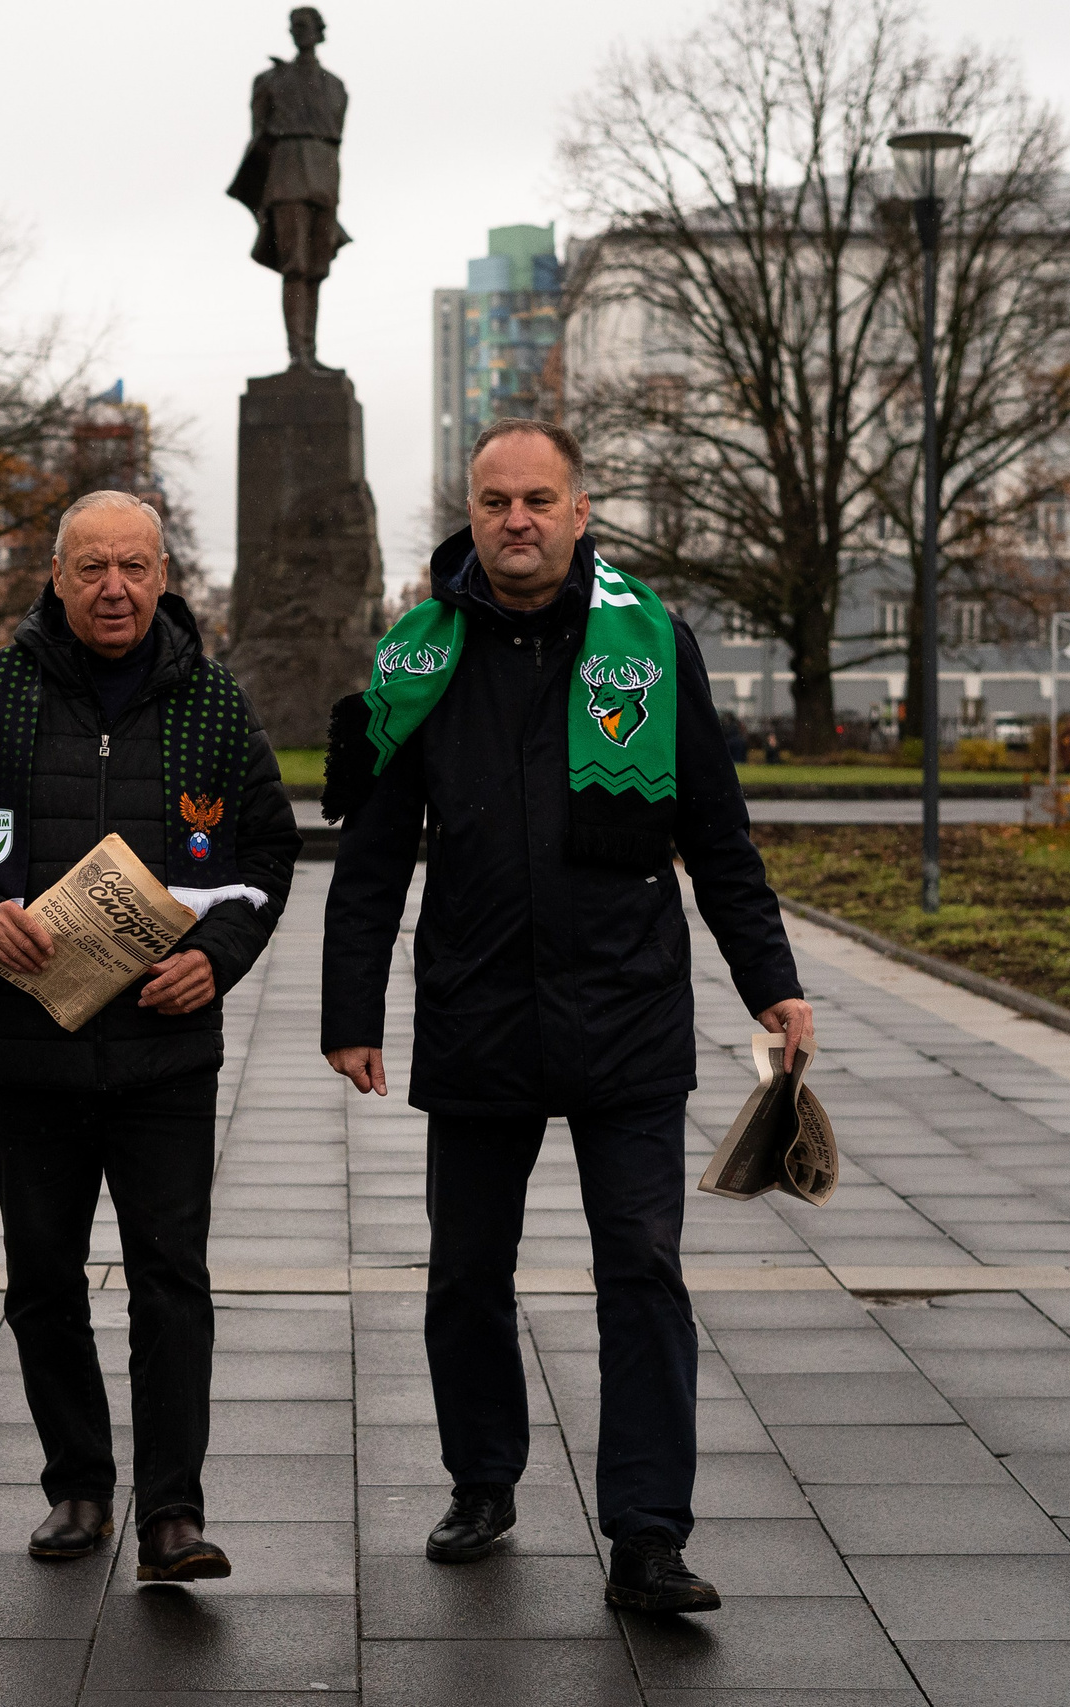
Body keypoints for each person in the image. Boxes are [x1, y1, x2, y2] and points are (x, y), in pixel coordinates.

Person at [318, 419, 811, 1616]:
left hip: (626, 1011)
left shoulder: (651, 642)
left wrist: (770, 978)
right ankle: (482, 1480)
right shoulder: (416, 658)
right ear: (472, 513)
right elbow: (374, 853)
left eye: (540, 499)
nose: (517, 520)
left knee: (641, 1270)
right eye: (495, 501)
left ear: (581, 511)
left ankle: (647, 1535)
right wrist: (350, 1008)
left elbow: (715, 831)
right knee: (465, 1273)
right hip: (478, 1006)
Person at [0, 490, 301, 1583]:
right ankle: (77, 1487)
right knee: (41, 1278)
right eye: (90, 569)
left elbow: (266, 856)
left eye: (132, 566)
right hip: (28, 1049)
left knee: (172, 1277)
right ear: (58, 578)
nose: (112, 588)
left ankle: (173, 1512)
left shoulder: (213, 703)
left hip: (167, 1052)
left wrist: (216, 960)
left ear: (166, 575)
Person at [225, 7, 353, 370]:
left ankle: (310, 352)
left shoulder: (336, 86)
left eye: (304, 26)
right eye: (293, 27)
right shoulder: (270, 80)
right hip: (287, 176)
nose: (298, 33)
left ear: (319, 31)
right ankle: (297, 355)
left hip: (325, 177)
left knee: (315, 269)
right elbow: (259, 138)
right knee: (295, 265)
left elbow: (336, 136)